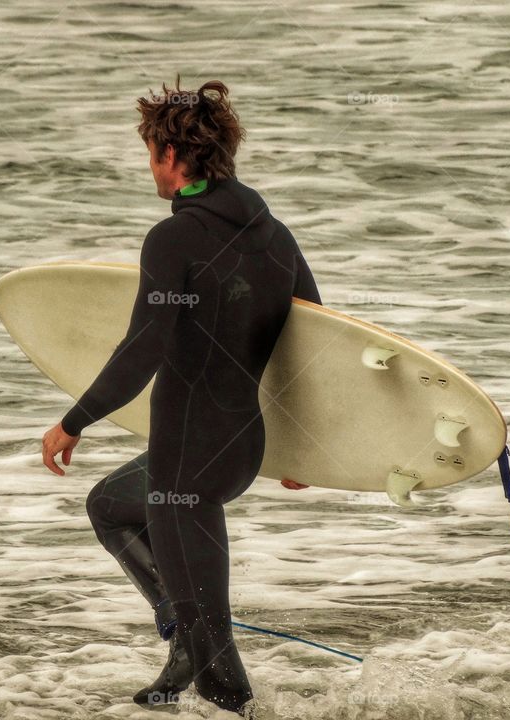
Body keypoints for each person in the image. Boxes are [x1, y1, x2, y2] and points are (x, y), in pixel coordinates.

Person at [40, 75, 322, 718]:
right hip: (240, 446)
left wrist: (73, 422)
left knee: (223, 675)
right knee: (110, 505)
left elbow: (144, 349)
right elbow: (313, 339)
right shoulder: (274, 234)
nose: (149, 166)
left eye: (150, 152)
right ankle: (181, 634)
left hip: (184, 460)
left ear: (172, 156)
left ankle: (196, 650)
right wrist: (304, 444)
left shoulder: (172, 239)